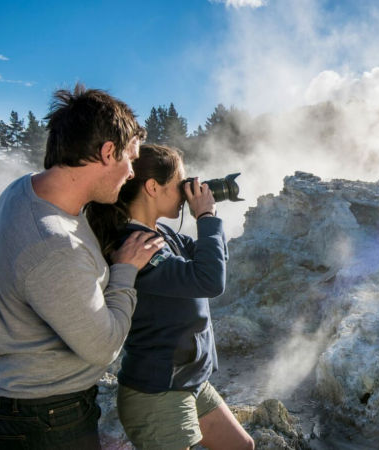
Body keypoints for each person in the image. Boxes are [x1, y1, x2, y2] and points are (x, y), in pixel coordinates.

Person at [0, 84, 165, 450]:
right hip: (46, 413)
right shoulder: (54, 245)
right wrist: (125, 269)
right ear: (107, 151)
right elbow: (105, 346)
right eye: (130, 158)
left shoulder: (24, 189)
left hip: (26, 403)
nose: (131, 172)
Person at [86, 144, 254, 450]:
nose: (184, 190)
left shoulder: (162, 233)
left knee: (241, 446)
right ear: (152, 187)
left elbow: (212, 256)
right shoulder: (137, 246)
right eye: (180, 183)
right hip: (158, 393)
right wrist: (205, 214)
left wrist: (206, 214)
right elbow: (209, 280)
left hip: (188, 381)